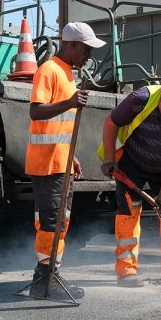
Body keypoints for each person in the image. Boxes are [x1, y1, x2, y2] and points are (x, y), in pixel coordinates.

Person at [25, 21, 106, 297]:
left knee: (62, 218)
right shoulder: (48, 71)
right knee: (51, 220)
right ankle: (45, 278)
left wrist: (72, 158)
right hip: (46, 163)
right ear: (71, 44)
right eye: (86, 49)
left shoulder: (67, 73)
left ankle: (51, 274)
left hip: (60, 161)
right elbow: (36, 112)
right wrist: (71, 102)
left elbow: (61, 125)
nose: (89, 56)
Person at [99, 71, 161, 287]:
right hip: (132, 161)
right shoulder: (140, 99)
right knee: (129, 210)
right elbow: (111, 123)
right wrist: (109, 159)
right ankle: (126, 271)